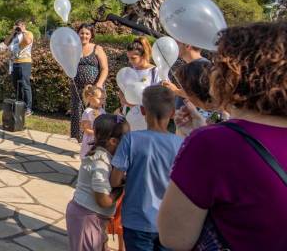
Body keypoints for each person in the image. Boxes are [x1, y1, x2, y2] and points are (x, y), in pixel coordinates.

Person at [158, 22, 287, 251]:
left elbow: (174, 237)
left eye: (219, 63)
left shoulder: (211, 144)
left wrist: (200, 137)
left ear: (235, 72)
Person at [110, 85, 182, 251]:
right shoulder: (181, 144)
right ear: (172, 113)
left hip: (136, 220)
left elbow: (115, 180)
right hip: (169, 222)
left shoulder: (131, 139)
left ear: (142, 110)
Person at [66, 114, 129, 251]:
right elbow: (103, 201)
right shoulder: (100, 161)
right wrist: (121, 188)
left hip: (94, 217)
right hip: (87, 218)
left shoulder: (106, 156)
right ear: (113, 141)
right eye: (127, 139)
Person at [71, 24, 109, 141]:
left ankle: (97, 141)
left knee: (95, 115)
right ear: (78, 34)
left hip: (94, 91)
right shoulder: (73, 48)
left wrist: (98, 85)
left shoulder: (97, 48)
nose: (84, 36)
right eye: (82, 33)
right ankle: (81, 142)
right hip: (77, 88)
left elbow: (105, 68)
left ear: (91, 35)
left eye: (87, 33)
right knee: (79, 115)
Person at [119, 37, 161, 132]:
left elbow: (158, 95)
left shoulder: (154, 71)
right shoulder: (128, 71)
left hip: (147, 117)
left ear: (143, 55)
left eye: (133, 58)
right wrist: (123, 100)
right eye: (128, 58)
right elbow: (122, 90)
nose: (130, 61)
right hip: (129, 116)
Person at [4, 19, 34, 116]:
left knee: (25, 85)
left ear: (24, 25)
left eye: (20, 26)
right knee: (16, 85)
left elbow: (27, 41)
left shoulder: (28, 33)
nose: (18, 27)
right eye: (16, 26)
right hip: (14, 63)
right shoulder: (15, 36)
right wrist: (12, 32)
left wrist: (23, 31)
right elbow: (5, 43)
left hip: (25, 62)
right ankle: (20, 105)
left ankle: (28, 108)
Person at [80, 85, 105, 160]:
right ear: (90, 98)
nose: (102, 101)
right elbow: (86, 129)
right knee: (88, 156)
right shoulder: (87, 112)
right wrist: (97, 134)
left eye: (103, 99)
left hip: (100, 138)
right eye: (99, 99)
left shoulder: (102, 110)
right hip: (91, 139)